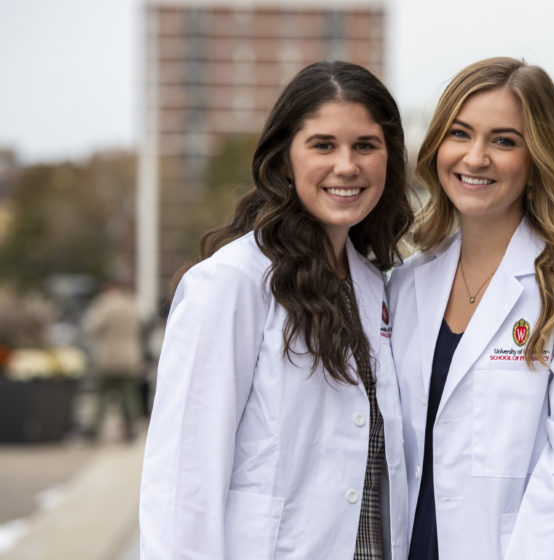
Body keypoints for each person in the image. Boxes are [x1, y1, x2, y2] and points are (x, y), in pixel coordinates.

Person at [139, 61, 413, 559]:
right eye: (323, 145)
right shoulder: (233, 283)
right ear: (285, 158)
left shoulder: (378, 288)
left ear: (388, 159)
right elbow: (184, 479)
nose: (346, 165)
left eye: (365, 146)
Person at [388, 57, 554, 560]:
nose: (476, 157)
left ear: (538, 158)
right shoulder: (406, 284)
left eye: (504, 140)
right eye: (460, 134)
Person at [82, 280, 144, 442]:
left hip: (109, 356)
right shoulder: (131, 305)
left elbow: (93, 328)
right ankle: (131, 427)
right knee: (129, 394)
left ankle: (95, 427)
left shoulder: (105, 305)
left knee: (103, 394)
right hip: (129, 356)